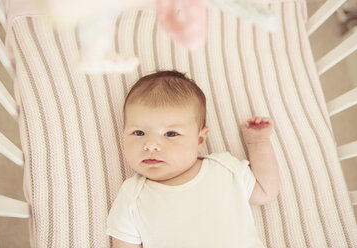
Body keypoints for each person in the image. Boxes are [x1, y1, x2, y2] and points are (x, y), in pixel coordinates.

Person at [106, 70, 280, 248]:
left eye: (171, 134)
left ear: (199, 140)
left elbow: (266, 191)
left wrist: (258, 142)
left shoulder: (225, 168)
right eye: (139, 133)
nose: (150, 145)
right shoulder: (133, 196)